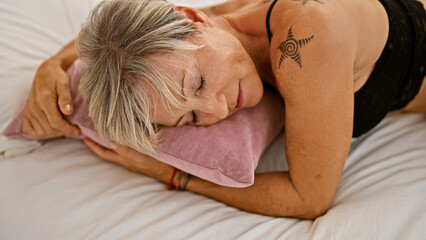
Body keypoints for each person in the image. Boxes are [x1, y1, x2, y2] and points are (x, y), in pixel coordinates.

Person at [21, 0, 425, 219]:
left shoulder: (307, 39)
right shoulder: (222, 26)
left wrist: (169, 174)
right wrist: (52, 67)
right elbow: (116, 45)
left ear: (193, 17)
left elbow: (309, 198)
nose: (216, 110)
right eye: (191, 120)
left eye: (196, 83)